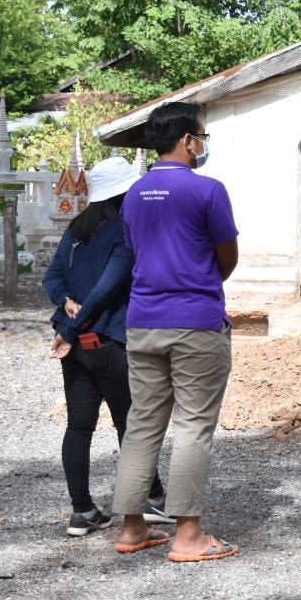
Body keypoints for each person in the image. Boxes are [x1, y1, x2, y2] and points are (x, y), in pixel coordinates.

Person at [112, 102, 242, 561]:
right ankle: (188, 538)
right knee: (192, 428)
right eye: (202, 137)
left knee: (142, 426)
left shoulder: (133, 194)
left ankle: (132, 530)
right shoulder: (208, 190)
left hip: (143, 321)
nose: (203, 145)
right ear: (187, 140)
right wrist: (201, 281)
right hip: (196, 322)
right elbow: (227, 256)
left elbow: (136, 251)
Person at [42, 156, 168, 537]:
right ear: (125, 194)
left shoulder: (77, 230)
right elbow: (107, 288)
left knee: (79, 425)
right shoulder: (124, 232)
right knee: (130, 423)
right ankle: (149, 501)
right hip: (109, 339)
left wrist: (66, 306)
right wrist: (75, 320)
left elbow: (53, 276)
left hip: (75, 342)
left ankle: (82, 512)